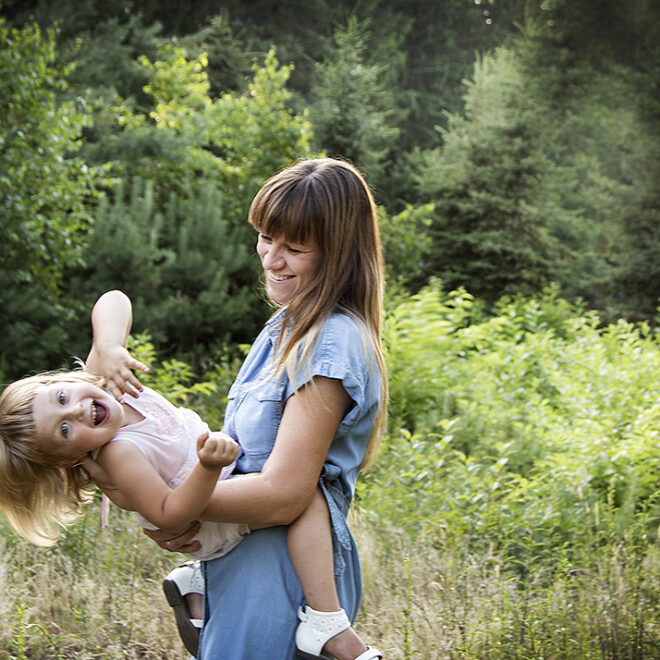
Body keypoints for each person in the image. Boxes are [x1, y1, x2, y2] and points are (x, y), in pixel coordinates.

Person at [85, 158, 388, 660]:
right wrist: (187, 522)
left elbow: (284, 495)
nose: (271, 258)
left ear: (339, 255)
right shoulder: (282, 330)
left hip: (281, 568)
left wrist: (169, 505)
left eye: (295, 247)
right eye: (267, 237)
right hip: (242, 557)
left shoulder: (331, 341)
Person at [0, 291, 379, 659]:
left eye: (62, 399)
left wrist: (110, 344)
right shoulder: (119, 452)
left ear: (61, 381)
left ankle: (195, 582)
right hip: (201, 516)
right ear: (69, 459)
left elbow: (113, 299)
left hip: (216, 481)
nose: (78, 412)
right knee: (306, 502)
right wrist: (208, 468)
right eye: (64, 430)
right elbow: (168, 513)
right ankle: (326, 621)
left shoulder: (104, 383)